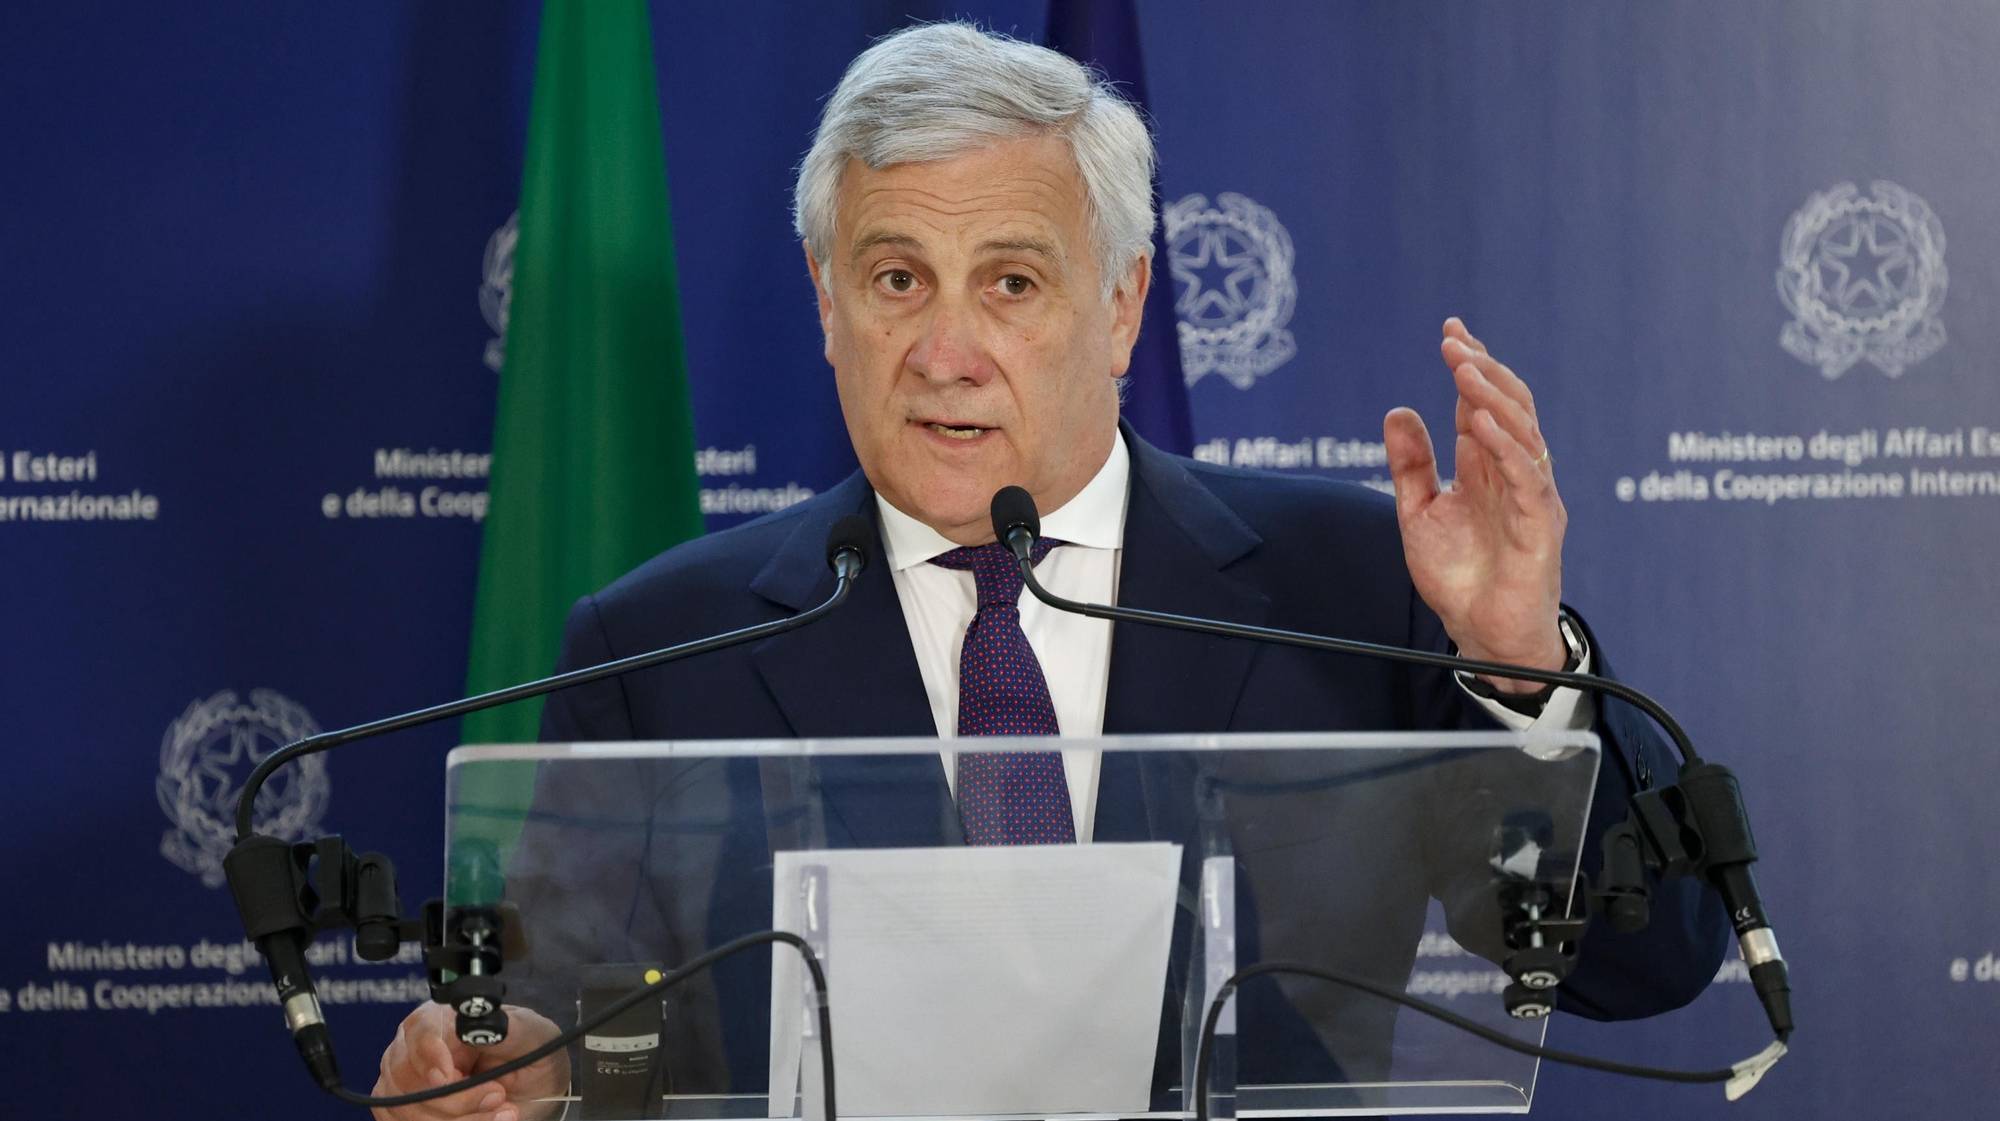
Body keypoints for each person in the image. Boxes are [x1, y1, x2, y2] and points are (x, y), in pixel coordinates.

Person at [371, 23, 1727, 1121]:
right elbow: (540, 1026)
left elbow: (1643, 961)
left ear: (1124, 301)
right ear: (826, 299)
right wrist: (502, 1075)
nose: (946, 350)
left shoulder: (1361, 588)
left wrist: (1517, 665)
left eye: (1012, 284)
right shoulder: (658, 649)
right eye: (896, 277)